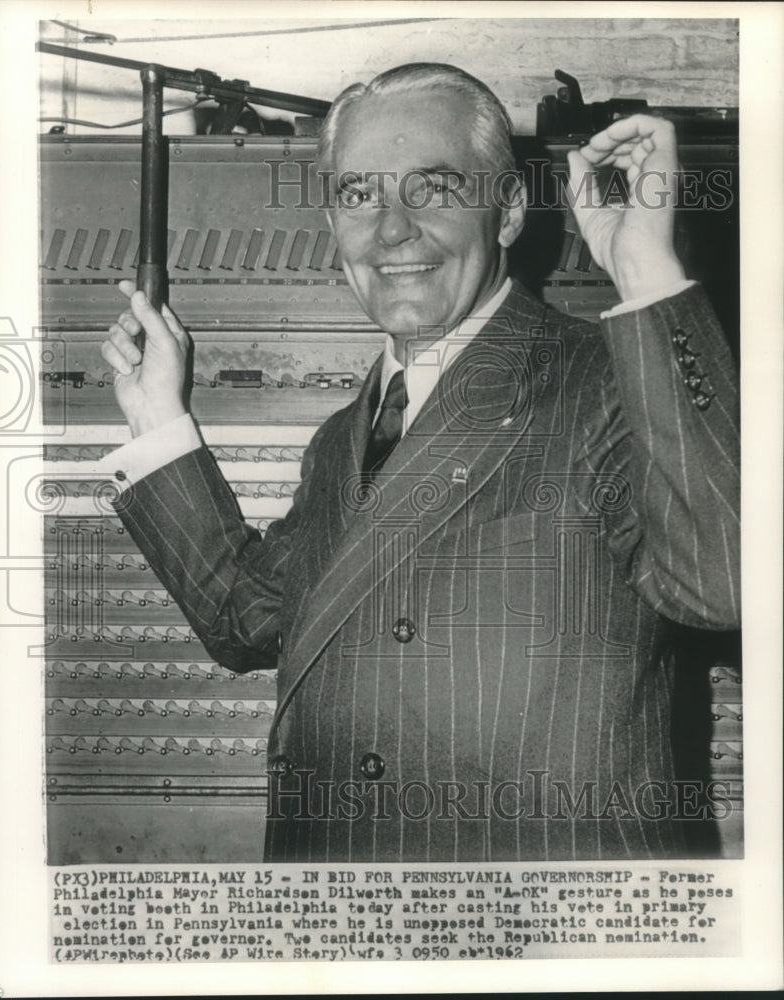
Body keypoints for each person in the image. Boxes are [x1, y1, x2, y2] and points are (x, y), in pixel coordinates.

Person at [99, 63, 739, 862]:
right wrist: (157, 414)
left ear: (507, 212)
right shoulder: (345, 437)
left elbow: (728, 581)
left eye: (432, 188)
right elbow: (247, 622)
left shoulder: (607, 380)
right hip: (347, 930)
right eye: (360, 194)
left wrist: (646, 271)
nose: (392, 229)